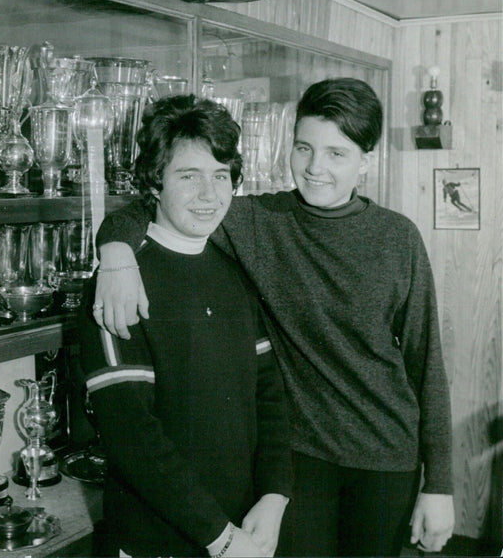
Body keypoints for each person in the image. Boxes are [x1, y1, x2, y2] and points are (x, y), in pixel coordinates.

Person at [93, 78, 454, 557]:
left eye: (336, 153)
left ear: (366, 160)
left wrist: (440, 485)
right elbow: (161, 198)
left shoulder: (398, 238)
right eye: (304, 148)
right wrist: (116, 252)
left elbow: (426, 362)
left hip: (386, 458)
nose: (314, 168)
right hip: (300, 460)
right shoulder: (258, 221)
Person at [77, 95, 292, 557]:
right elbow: (133, 437)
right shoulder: (119, 282)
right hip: (158, 542)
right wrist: (221, 537)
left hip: (240, 533)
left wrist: (274, 495)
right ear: (154, 183)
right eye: (188, 176)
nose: (209, 195)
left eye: (220, 176)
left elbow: (270, 396)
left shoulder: (232, 272)